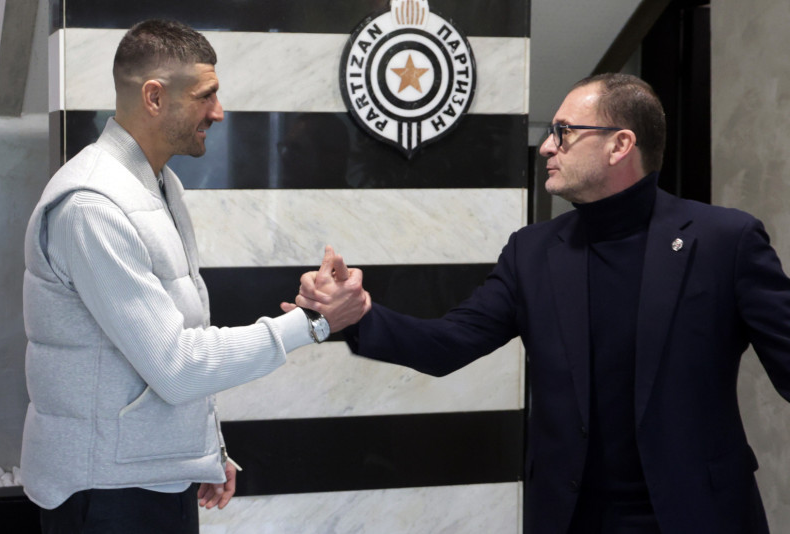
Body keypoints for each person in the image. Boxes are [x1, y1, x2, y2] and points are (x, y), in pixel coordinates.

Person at [288, 73, 790, 533]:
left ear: (620, 145)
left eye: (564, 132)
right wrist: (360, 316)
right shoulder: (531, 252)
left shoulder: (725, 241)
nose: (548, 145)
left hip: (701, 515)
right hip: (570, 518)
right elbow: (448, 344)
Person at [21, 19, 367, 534]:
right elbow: (176, 365)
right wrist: (313, 323)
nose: (218, 112)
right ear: (154, 97)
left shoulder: (159, 185)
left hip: (148, 478)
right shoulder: (93, 207)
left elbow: (175, 337)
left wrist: (204, 450)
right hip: (106, 495)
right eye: (206, 96)